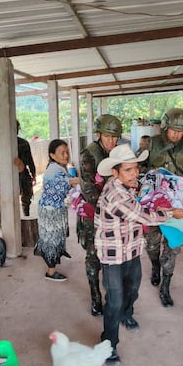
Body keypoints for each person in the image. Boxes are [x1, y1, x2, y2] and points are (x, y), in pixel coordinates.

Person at [94, 144, 183, 365]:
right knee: (114, 300)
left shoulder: (130, 185)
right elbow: (143, 216)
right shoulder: (114, 194)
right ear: (114, 172)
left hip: (132, 249)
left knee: (133, 288)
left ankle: (127, 314)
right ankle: (109, 344)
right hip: (113, 255)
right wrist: (172, 212)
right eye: (128, 170)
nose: (135, 173)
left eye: (136, 168)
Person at [146, 107, 183, 307]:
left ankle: (165, 286)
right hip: (154, 203)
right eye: (173, 129)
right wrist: (155, 176)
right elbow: (137, 170)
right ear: (165, 127)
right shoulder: (151, 144)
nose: (177, 134)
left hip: (177, 206)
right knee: (151, 245)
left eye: (181, 130)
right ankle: (154, 266)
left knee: (172, 246)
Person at [77, 114, 122, 315]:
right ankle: (95, 297)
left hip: (114, 213)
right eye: (107, 136)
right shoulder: (89, 154)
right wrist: (112, 205)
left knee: (113, 256)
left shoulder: (119, 152)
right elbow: (88, 190)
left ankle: (113, 295)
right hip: (93, 214)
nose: (112, 141)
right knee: (93, 257)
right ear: (98, 134)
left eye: (115, 136)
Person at [35, 139, 79, 281]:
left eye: (67, 152)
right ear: (52, 155)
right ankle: (51, 272)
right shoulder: (55, 169)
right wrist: (82, 180)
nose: (66, 155)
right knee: (52, 240)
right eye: (62, 153)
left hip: (53, 209)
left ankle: (54, 259)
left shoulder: (58, 167)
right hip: (50, 211)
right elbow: (67, 183)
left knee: (53, 238)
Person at [17, 120, 36, 217]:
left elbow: (30, 160)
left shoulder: (23, 143)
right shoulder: (4, 144)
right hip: (11, 175)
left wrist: (33, 174)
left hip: (23, 174)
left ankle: (26, 215)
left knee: (26, 198)